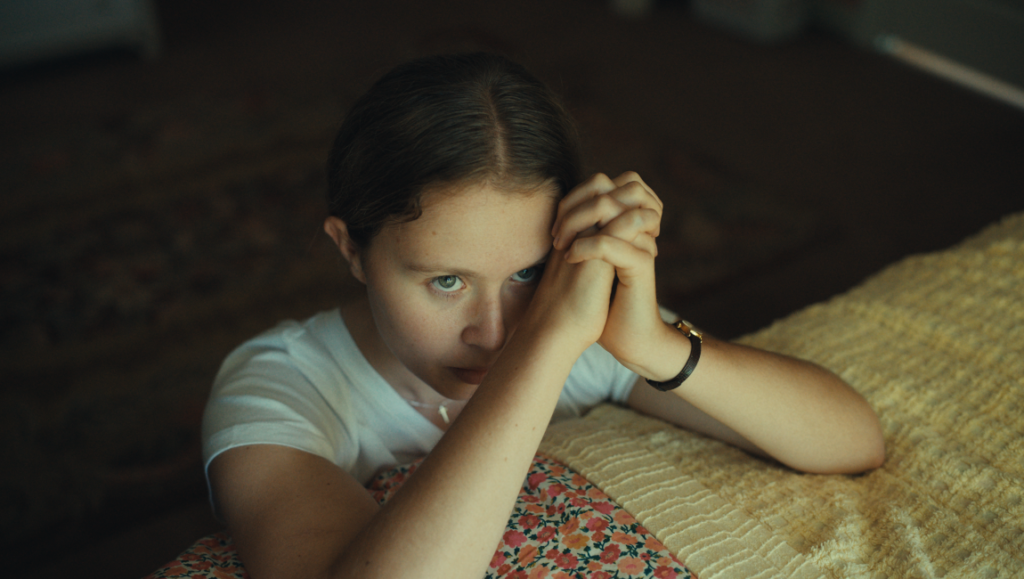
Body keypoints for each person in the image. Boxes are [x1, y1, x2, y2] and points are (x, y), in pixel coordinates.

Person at [202, 52, 885, 579]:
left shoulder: (578, 319)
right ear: (350, 248)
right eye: (446, 281)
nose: (495, 329)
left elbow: (853, 440)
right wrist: (546, 347)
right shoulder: (278, 386)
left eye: (527, 272)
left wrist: (650, 343)